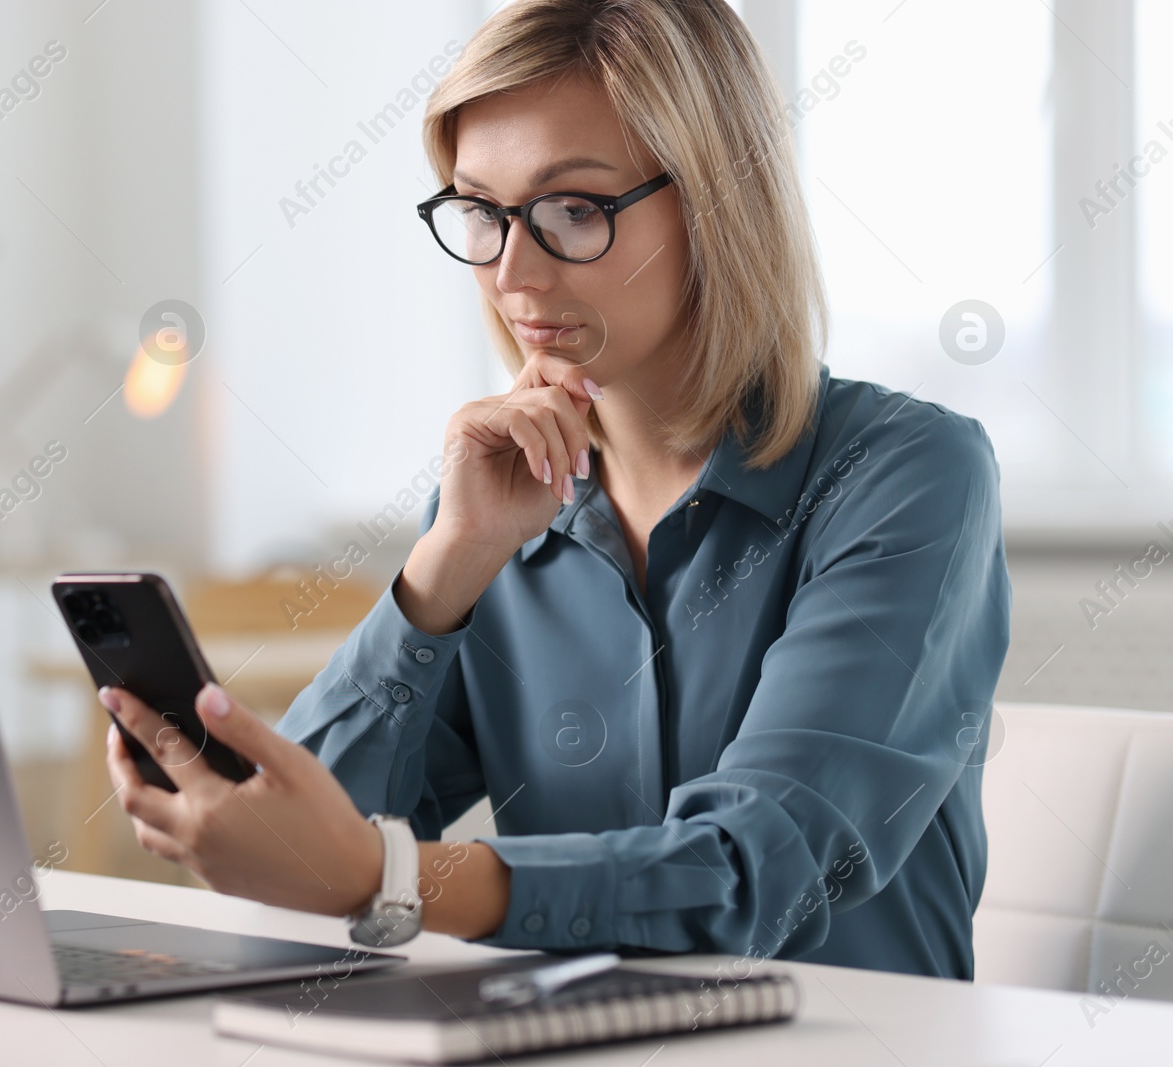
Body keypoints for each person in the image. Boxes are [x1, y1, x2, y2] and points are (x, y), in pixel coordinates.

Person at [97, 0, 1011, 978]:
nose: (511, 271)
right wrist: (441, 572)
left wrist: (385, 876)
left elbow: (752, 873)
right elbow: (299, 855)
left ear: (714, 201)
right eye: (482, 214)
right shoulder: (497, 508)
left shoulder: (905, 475)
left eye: (572, 208)